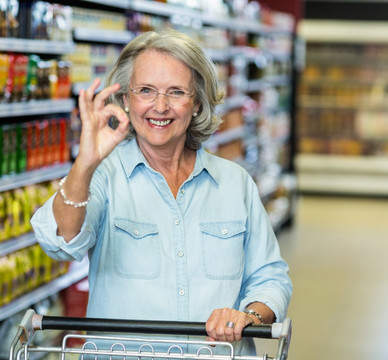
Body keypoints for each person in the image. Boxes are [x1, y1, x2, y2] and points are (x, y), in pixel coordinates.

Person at [31, 28, 292, 355]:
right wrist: (85, 163)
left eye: (176, 92)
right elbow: (59, 242)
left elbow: (270, 277)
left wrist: (248, 315)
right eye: (146, 90)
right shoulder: (103, 177)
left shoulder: (235, 183)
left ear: (196, 102)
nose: (160, 106)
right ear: (126, 100)